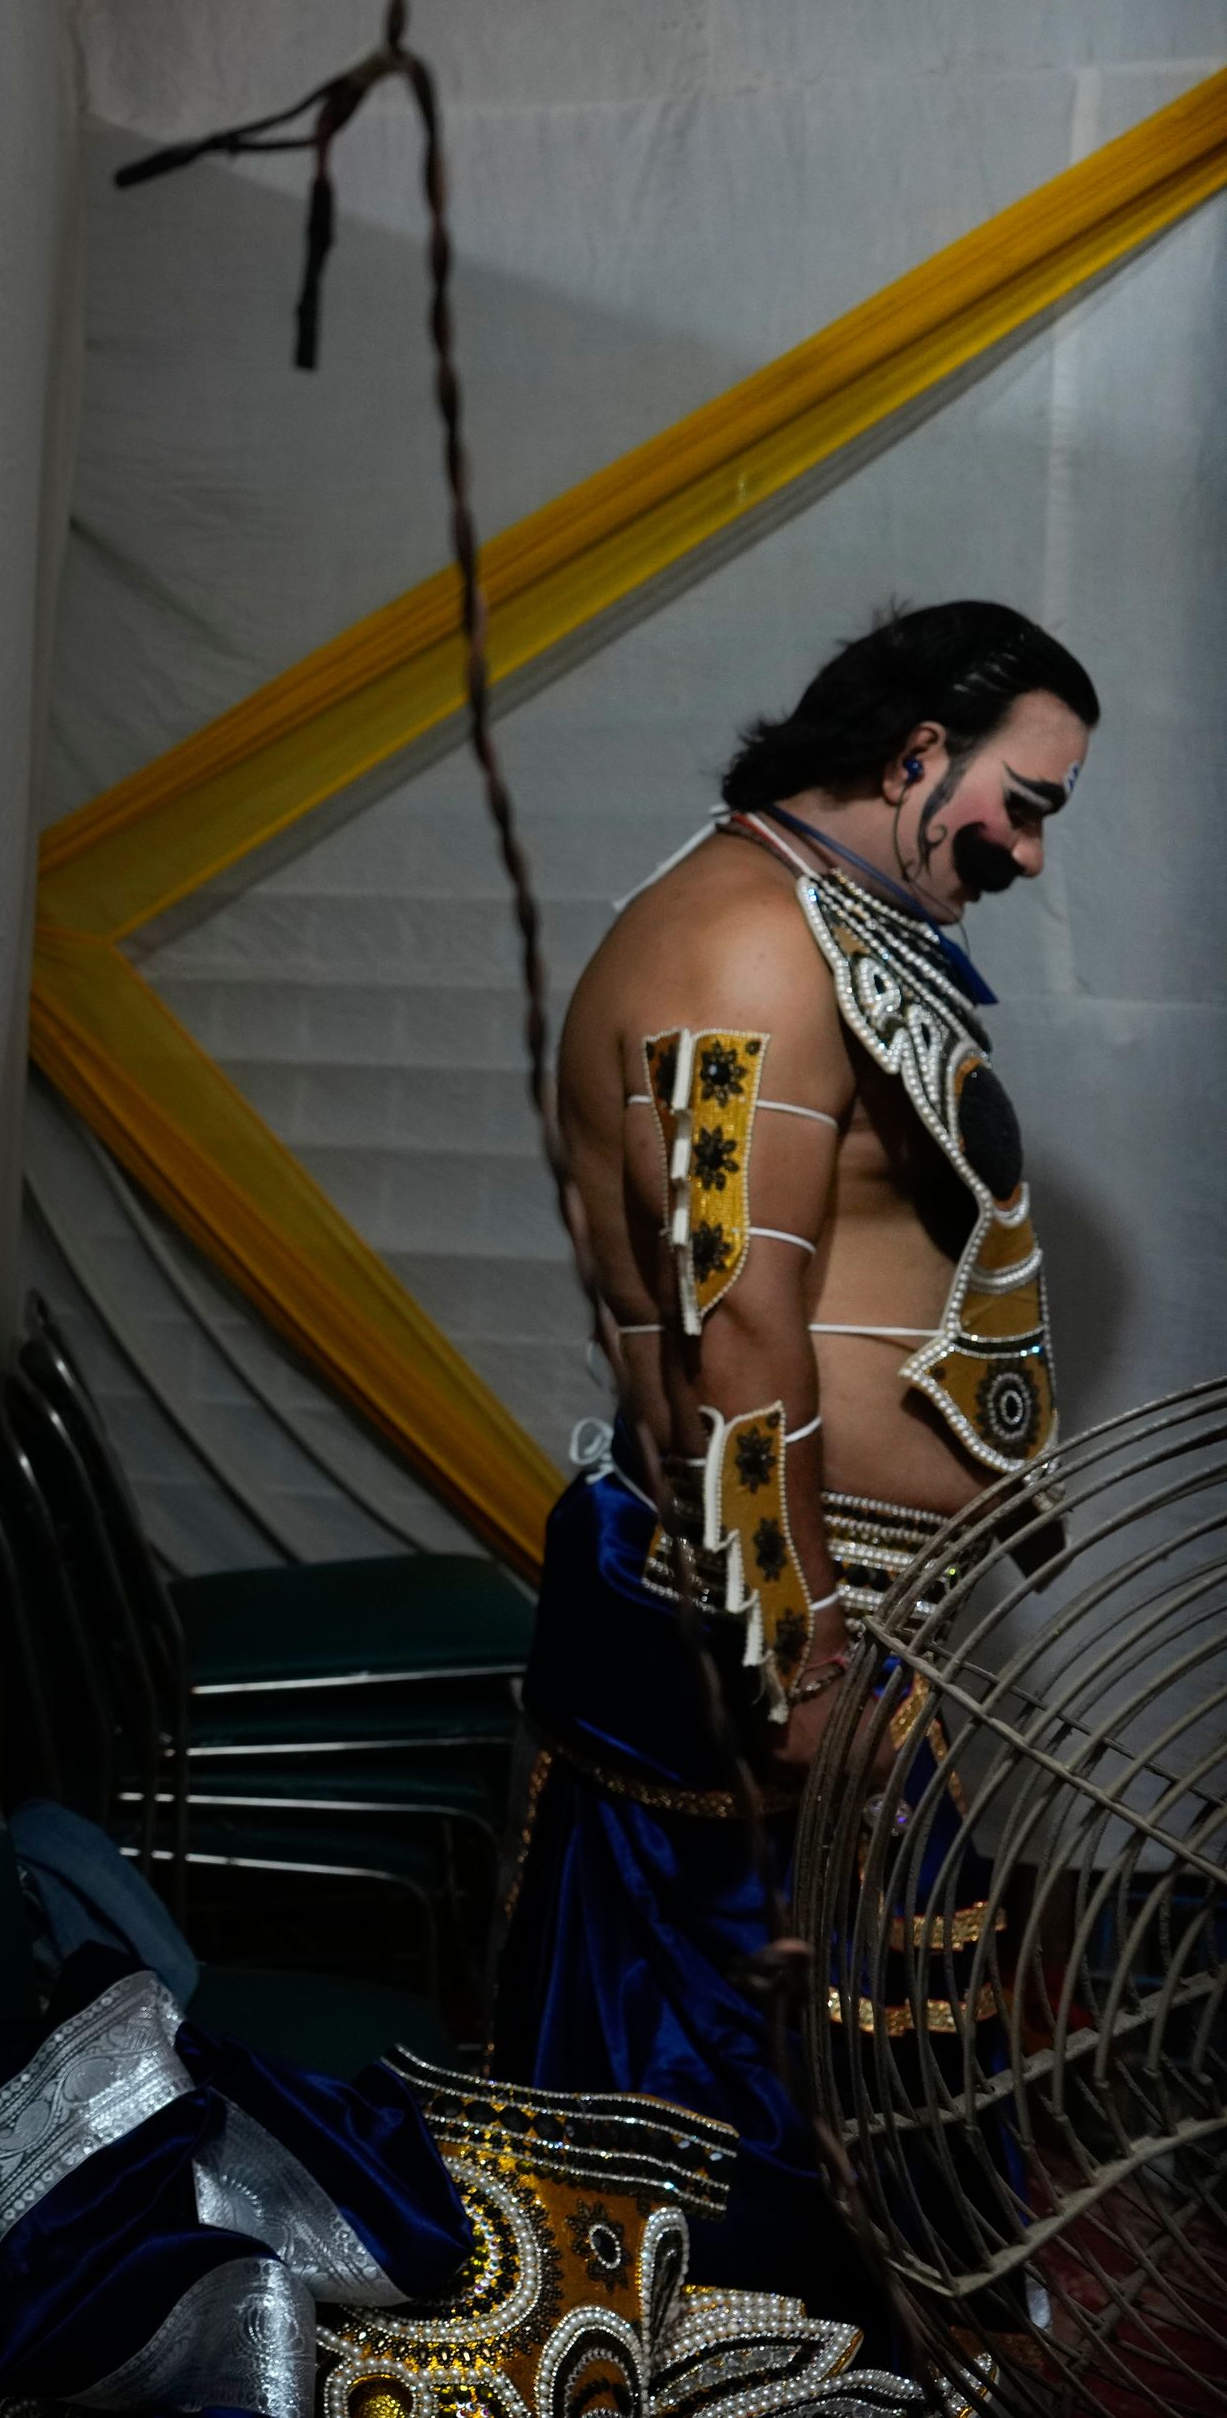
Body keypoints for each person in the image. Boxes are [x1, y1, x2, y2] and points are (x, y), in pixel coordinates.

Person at [504, 598, 1094, 2325]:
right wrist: (801, 1657)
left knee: (876, 2084)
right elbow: (729, 1338)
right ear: (917, 752)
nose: (1032, 851)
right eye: (1024, 798)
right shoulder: (741, 949)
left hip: (834, 1621)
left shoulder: (813, 924)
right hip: (756, 1635)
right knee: (737, 2138)